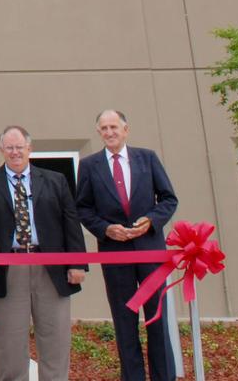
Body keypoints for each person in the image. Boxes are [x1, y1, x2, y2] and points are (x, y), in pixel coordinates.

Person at [0, 125, 86, 381]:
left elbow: (71, 222)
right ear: (1, 150)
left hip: (51, 268)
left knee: (55, 338)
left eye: (19, 147)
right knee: (8, 342)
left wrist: (77, 263)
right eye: (9, 148)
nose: (15, 153)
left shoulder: (55, 180)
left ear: (29, 148)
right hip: (8, 270)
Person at [76, 109, 178, 381]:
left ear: (125, 130)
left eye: (114, 127)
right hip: (115, 254)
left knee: (157, 320)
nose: (109, 133)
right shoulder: (89, 165)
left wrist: (151, 220)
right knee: (124, 323)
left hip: (150, 252)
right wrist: (106, 229)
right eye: (104, 128)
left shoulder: (147, 158)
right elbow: (83, 208)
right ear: (98, 132)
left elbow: (169, 199)